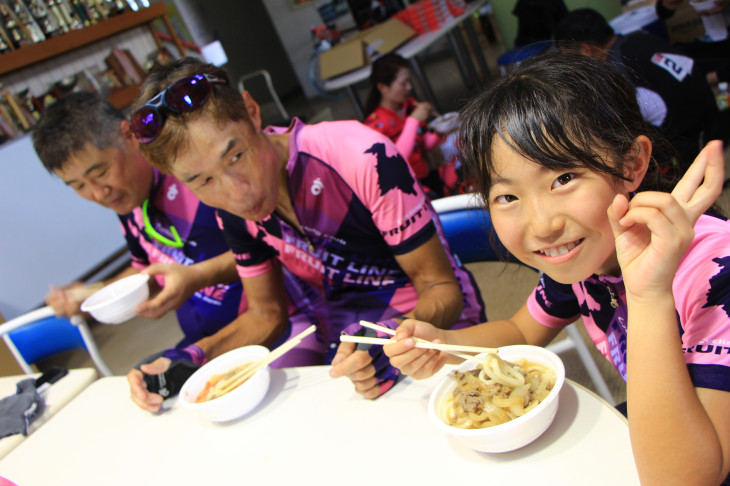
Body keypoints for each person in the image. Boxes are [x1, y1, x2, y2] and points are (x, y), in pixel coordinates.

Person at [384, 52, 730, 485]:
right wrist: (443, 343)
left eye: (564, 178)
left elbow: (688, 478)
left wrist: (647, 296)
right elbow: (520, 334)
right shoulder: (587, 256)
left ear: (631, 164)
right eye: (508, 197)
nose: (543, 225)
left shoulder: (715, 270)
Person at [129, 57, 486, 402]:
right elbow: (265, 314)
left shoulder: (359, 154)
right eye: (204, 180)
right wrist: (192, 355)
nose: (238, 193)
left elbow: (441, 289)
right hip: (348, 353)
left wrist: (392, 336)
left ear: (252, 112)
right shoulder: (231, 214)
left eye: (236, 156)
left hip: (436, 334)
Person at [32, 91, 273, 411]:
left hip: (259, 329)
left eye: (101, 172)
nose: (98, 193)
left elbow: (270, 244)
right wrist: (90, 295)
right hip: (204, 341)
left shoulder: (197, 176)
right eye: (78, 186)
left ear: (128, 136)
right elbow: (145, 268)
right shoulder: (127, 202)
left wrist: (194, 277)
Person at [554, 8, 723, 173]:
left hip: (691, 140)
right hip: (711, 115)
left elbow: (624, 126)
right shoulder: (640, 38)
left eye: (569, 56)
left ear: (586, 50)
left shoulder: (617, 69)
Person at [363, 53, 453, 198]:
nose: (409, 87)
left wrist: (439, 132)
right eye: (403, 84)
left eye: (409, 82)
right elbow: (395, 162)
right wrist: (413, 121)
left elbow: (421, 145)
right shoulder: (374, 125)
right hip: (407, 190)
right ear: (383, 87)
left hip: (426, 175)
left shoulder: (408, 105)